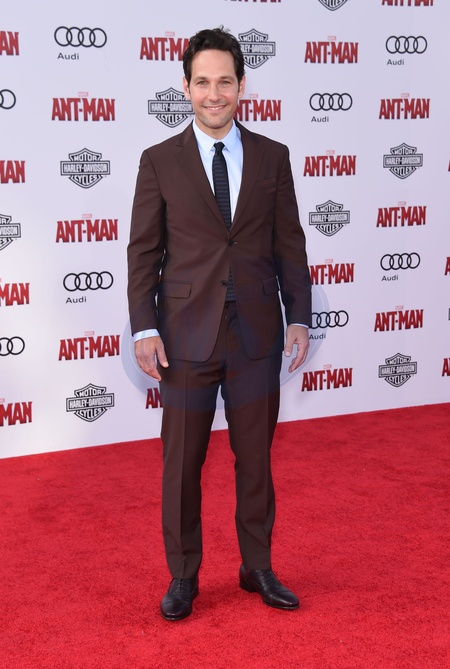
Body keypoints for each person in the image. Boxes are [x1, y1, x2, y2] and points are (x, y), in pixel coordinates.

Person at [127, 27, 311, 621]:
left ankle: (257, 566)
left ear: (241, 86)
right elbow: (143, 253)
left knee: (255, 459)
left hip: (256, 334)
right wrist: (144, 327)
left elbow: (290, 244)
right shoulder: (159, 161)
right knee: (182, 463)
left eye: (224, 82)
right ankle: (183, 575)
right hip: (184, 337)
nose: (214, 93)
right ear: (185, 88)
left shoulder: (273, 156)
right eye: (202, 82)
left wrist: (299, 316)